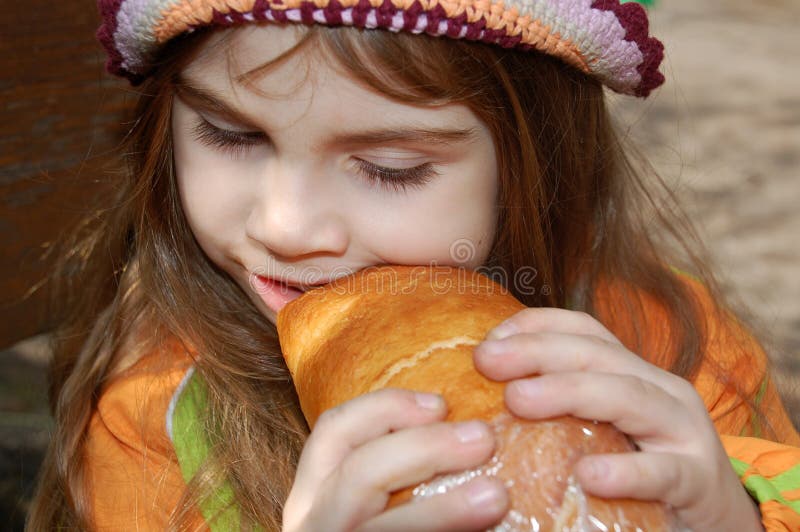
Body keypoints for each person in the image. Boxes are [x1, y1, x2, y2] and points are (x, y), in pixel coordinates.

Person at [27, 0, 800, 530]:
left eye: (392, 166)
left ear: (536, 167)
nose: (287, 226)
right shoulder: (150, 416)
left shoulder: (677, 349)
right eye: (231, 135)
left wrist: (737, 514)